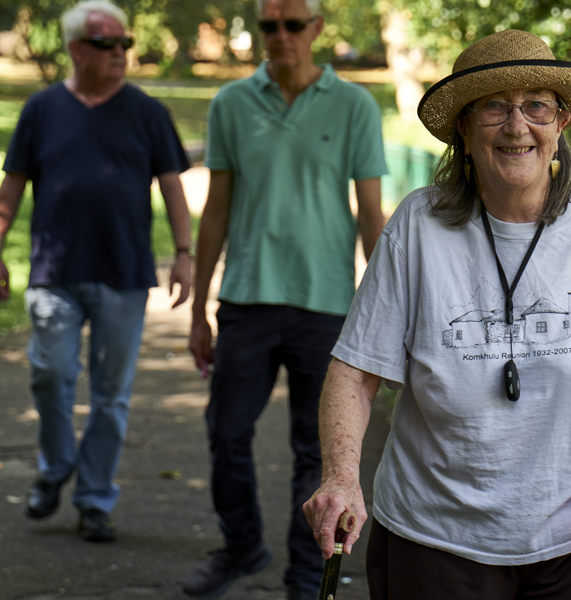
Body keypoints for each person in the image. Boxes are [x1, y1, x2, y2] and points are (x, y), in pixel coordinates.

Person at [304, 29, 571, 599]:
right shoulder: (419, 227)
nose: (517, 126)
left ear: (561, 121)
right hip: (436, 542)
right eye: (494, 107)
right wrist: (342, 477)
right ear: (464, 130)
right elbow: (354, 372)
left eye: (536, 105)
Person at [181, 0, 387, 597]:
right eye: (269, 25)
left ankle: (304, 577)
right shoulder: (231, 104)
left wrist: (391, 311)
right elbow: (214, 211)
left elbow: (371, 214)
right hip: (246, 300)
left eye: (293, 24)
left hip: (325, 307)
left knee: (314, 451)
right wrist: (198, 309)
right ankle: (242, 547)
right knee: (225, 432)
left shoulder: (354, 105)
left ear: (317, 30)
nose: (280, 36)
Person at [0, 0, 192, 543]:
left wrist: (185, 254)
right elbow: (12, 185)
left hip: (123, 273)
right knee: (51, 375)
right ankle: (55, 468)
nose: (122, 53)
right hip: (54, 270)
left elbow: (172, 185)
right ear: (77, 49)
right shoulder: (42, 109)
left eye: (126, 44)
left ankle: (94, 498)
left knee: (110, 395)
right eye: (109, 44)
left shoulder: (147, 112)